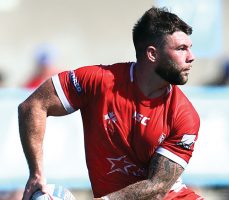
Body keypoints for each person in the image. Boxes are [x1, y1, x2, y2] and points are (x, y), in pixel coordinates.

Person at [19, 7, 202, 200]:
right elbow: (32, 106)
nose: (191, 57)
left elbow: (156, 189)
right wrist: (36, 174)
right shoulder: (97, 81)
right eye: (182, 49)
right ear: (152, 54)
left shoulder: (184, 115)